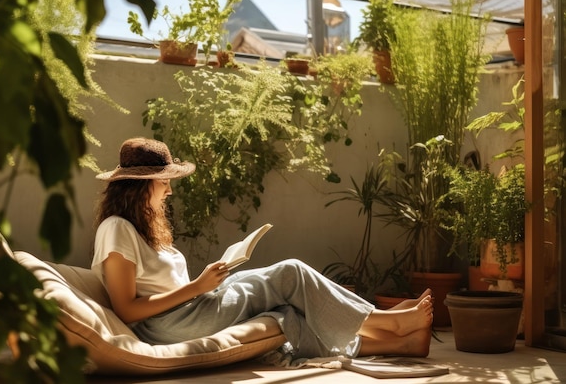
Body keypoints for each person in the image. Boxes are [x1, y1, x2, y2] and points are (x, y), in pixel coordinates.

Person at [91, 137, 433, 359]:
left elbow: (163, 287)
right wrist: (197, 287)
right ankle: (388, 322)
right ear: (140, 187)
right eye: (164, 183)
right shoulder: (117, 229)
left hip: (187, 311)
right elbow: (126, 309)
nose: (169, 191)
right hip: (166, 326)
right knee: (290, 273)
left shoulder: (142, 229)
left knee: (284, 315)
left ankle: (398, 342)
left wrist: (206, 285)